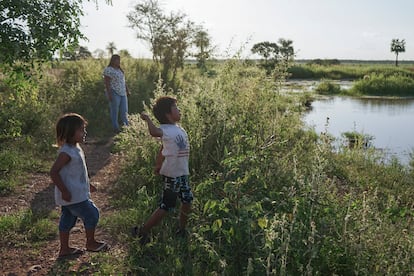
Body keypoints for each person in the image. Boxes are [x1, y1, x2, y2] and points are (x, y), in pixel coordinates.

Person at [132, 96, 193, 245]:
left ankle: (182, 229)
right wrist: (147, 119)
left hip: (182, 173)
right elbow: (153, 132)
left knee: (187, 200)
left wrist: (158, 164)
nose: (179, 110)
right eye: (176, 108)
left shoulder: (178, 129)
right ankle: (142, 231)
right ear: (168, 114)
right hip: (172, 175)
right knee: (166, 205)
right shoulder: (165, 130)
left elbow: (163, 149)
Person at [50, 113, 108, 258]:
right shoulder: (66, 152)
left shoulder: (76, 148)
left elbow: (77, 171)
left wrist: (88, 184)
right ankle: (91, 242)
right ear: (70, 133)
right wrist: (64, 190)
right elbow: (54, 172)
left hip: (74, 194)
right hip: (73, 195)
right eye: (81, 130)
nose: (85, 132)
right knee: (92, 214)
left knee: (68, 219)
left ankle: (64, 249)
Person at [103, 54, 130, 133]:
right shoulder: (108, 70)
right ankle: (116, 128)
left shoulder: (119, 70)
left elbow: (123, 81)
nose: (118, 61)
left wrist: (127, 90)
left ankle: (127, 127)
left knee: (124, 111)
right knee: (115, 111)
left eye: (119, 60)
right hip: (114, 92)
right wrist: (109, 94)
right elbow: (107, 83)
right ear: (112, 60)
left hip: (123, 92)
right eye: (116, 60)